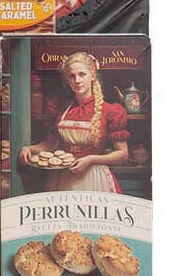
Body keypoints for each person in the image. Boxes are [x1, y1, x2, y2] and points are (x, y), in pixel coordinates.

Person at [17, 50, 129, 192]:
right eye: (72, 76)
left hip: (94, 177)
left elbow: (122, 154)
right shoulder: (62, 108)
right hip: (62, 177)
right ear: (67, 79)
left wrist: (91, 159)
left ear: (92, 75)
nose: (77, 80)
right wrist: (29, 148)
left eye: (82, 74)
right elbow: (51, 144)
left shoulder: (110, 110)